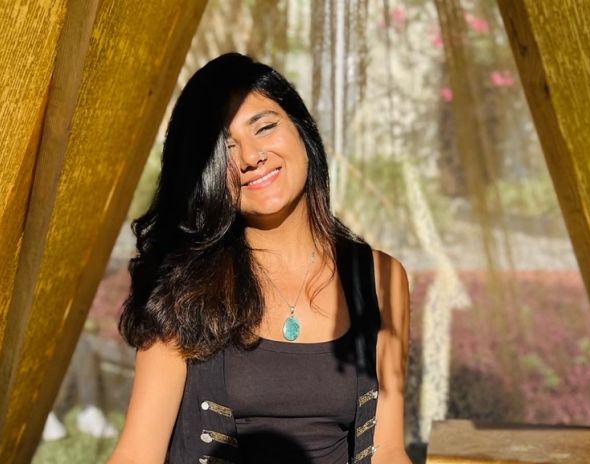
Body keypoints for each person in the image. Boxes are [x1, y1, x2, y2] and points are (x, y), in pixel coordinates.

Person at [108, 52, 412, 464]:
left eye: (265, 127)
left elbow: (388, 452)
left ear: (302, 131)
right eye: (226, 148)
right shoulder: (183, 285)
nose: (251, 157)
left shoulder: (378, 277)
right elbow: (137, 454)